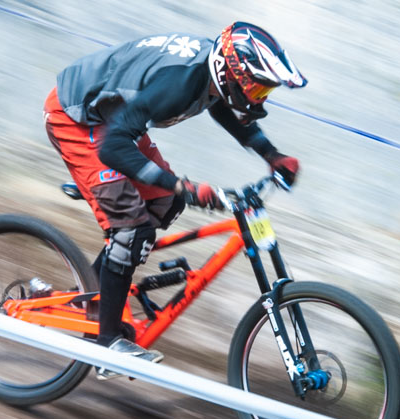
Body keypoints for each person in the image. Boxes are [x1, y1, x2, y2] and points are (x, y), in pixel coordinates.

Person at [44, 22, 307, 374]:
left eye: (265, 91)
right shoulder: (178, 84)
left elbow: (220, 106)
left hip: (114, 121)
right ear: (232, 73)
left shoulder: (209, 76)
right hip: (77, 117)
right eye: (257, 88)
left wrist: (271, 155)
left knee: (167, 203)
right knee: (132, 229)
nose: (259, 98)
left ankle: (92, 297)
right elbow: (114, 148)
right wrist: (182, 184)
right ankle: (106, 346)